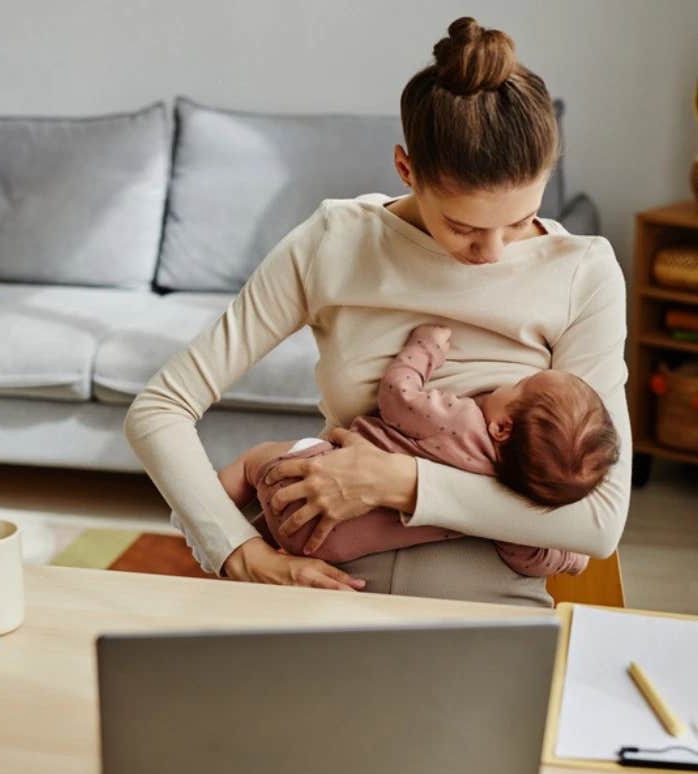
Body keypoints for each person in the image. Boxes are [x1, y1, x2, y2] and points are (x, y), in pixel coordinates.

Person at [124, 16, 630, 607]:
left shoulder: (583, 271)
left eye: (519, 221)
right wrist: (238, 552)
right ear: (406, 169)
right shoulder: (335, 241)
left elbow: (598, 520)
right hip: (316, 581)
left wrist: (399, 482)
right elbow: (159, 409)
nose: (491, 254)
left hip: (485, 602)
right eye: (464, 226)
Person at [171, 323, 620, 578]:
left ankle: (197, 512)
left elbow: (398, 395)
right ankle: (256, 542)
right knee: (283, 524)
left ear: (502, 427)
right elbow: (530, 558)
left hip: (302, 474)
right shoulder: (506, 510)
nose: (509, 382)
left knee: (256, 461)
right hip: (328, 547)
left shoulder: (460, 421)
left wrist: (425, 348)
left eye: (519, 385)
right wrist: (569, 556)